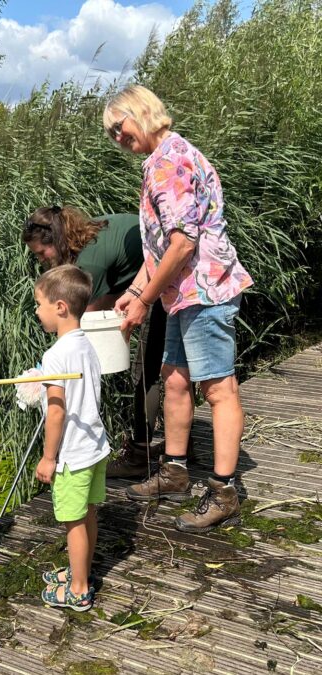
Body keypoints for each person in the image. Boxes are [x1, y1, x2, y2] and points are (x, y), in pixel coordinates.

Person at [103, 85, 253, 532]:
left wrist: (144, 301)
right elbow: (160, 246)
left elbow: (183, 244)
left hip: (204, 290)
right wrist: (136, 289)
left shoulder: (169, 161)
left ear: (141, 112)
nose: (117, 137)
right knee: (173, 380)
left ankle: (224, 491)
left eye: (119, 125)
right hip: (182, 293)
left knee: (219, 389)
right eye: (111, 133)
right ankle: (174, 471)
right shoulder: (163, 158)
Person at [23, 206, 168, 478]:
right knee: (166, 366)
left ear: (56, 240)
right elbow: (105, 300)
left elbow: (78, 325)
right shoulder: (84, 237)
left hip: (166, 278)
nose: (41, 260)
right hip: (150, 271)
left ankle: (140, 455)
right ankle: (179, 445)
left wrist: (50, 369)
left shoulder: (90, 263)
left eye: (42, 253)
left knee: (146, 369)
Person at [33, 264, 110, 612]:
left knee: (73, 522)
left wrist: (48, 457)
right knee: (88, 515)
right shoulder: (85, 345)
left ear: (60, 307)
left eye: (40, 304)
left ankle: (78, 590)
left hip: (73, 456)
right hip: (95, 448)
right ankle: (82, 572)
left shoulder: (55, 355)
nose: (37, 311)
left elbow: (57, 412)